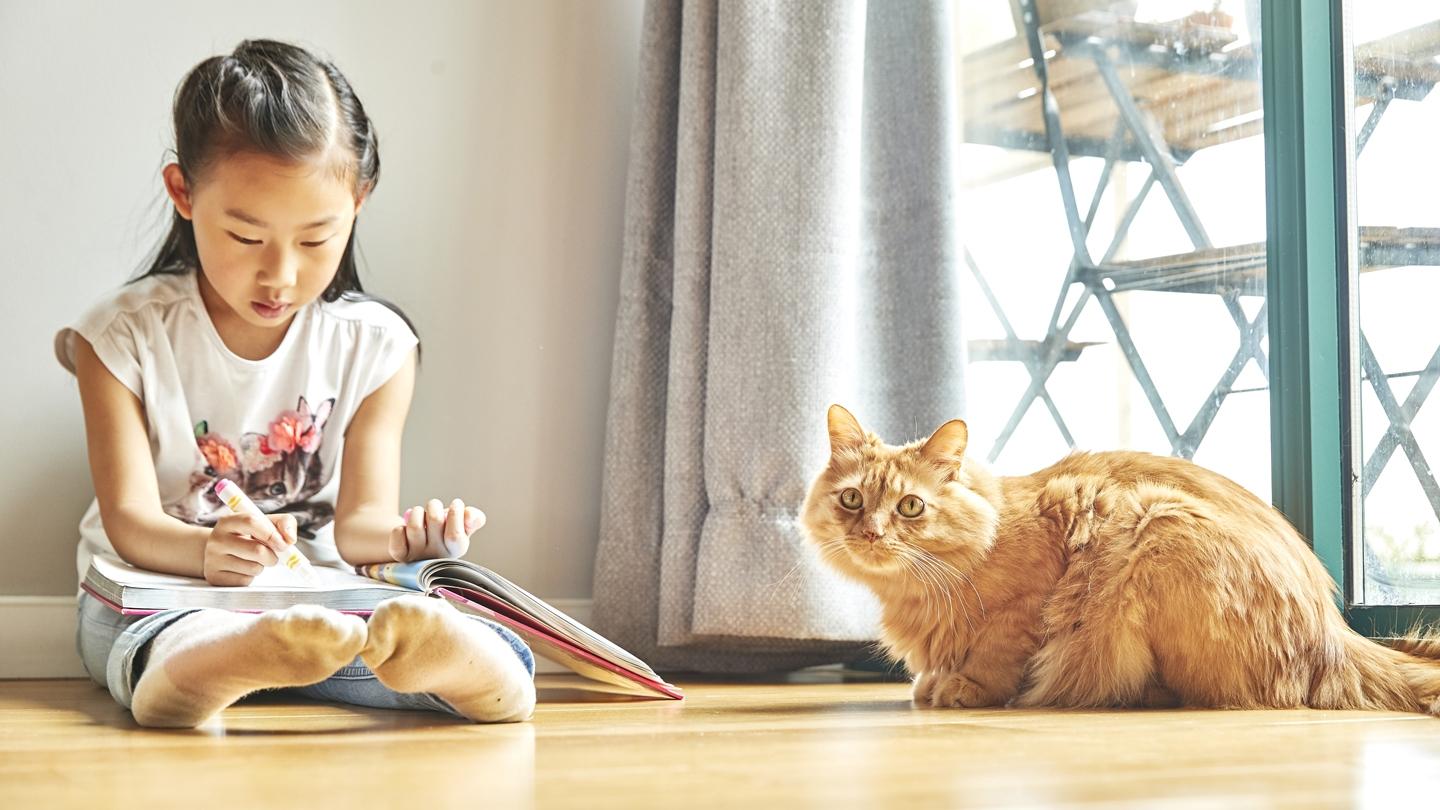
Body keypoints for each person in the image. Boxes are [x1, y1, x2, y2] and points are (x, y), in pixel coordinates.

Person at [55, 39, 535, 728]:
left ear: (359, 201)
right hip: (159, 589)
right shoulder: (120, 336)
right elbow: (131, 522)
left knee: (377, 634)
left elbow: (360, 529)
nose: (279, 275)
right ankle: (199, 664)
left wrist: (412, 541)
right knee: (158, 634)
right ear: (183, 194)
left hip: (309, 602)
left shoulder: (377, 347)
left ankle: (475, 672)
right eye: (247, 238)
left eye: (314, 241)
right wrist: (203, 552)